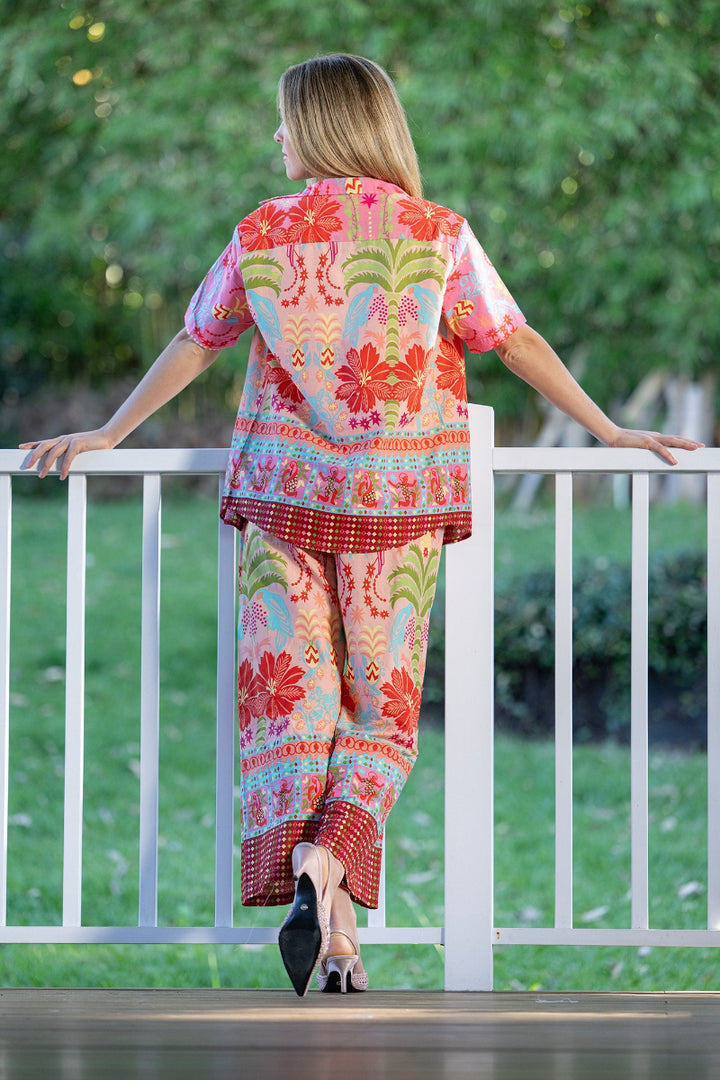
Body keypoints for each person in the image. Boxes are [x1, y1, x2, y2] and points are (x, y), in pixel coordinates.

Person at [20, 53, 703, 996]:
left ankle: (329, 914)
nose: (276, 138)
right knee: (380, 718)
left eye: (285, 121)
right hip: (398, 512)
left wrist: (109, 431)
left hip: (282, 507)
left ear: (324, 126)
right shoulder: (436, 234)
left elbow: (196, 340)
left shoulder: (262, 232)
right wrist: (608, 427)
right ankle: (332, 901)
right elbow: (512, 338)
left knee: (293, 712)